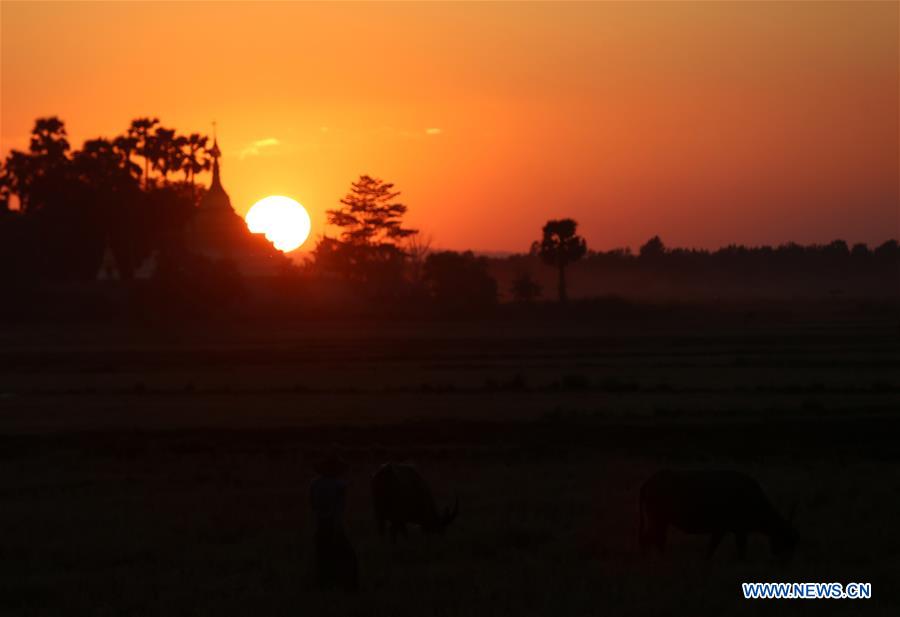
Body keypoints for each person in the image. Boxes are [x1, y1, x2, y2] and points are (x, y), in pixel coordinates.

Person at [309, 454, 359, 591]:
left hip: (320, 524)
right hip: (334, 524)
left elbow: (313, 506)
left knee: (322, 557)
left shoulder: (314, 484)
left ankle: (323, 585)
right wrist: (338, 527)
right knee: (349, 557)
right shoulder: (340, 485)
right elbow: (339, 509)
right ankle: (348, 586)